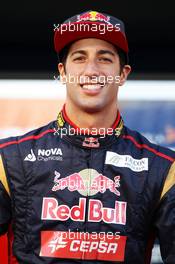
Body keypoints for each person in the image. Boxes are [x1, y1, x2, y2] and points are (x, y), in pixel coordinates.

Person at [0, 10, 175, 264]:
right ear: (63, 72)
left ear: (123, 74)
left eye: (104, 59)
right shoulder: (10, 159)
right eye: (80, 58)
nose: (91, 70)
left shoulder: (163, 168)